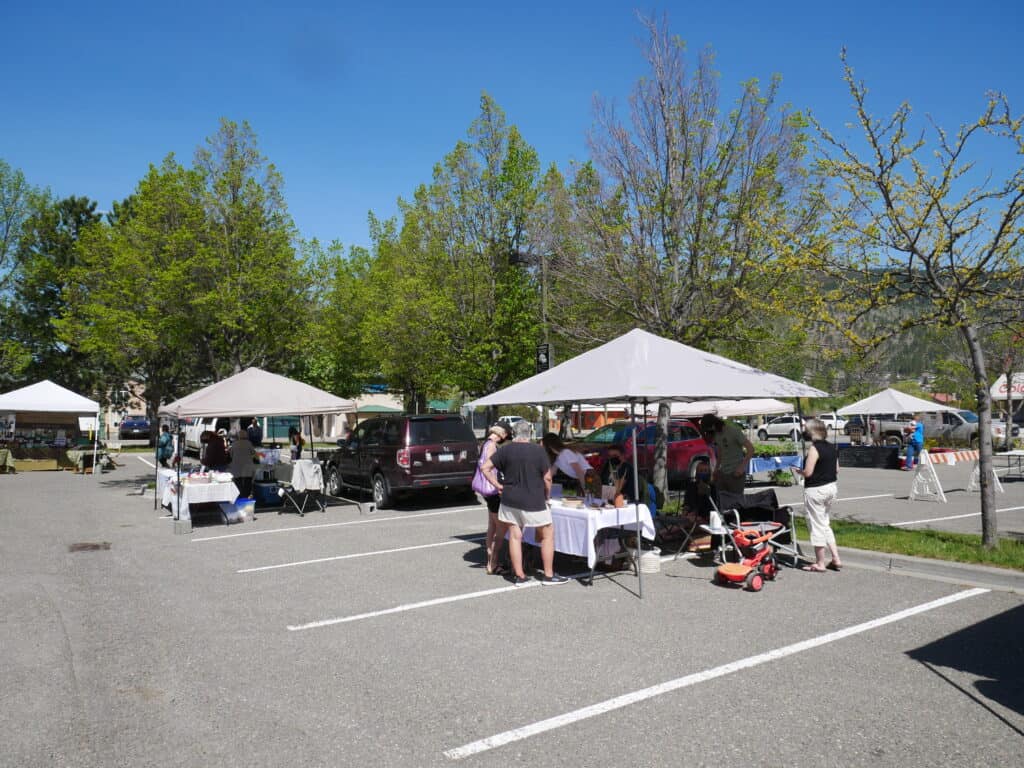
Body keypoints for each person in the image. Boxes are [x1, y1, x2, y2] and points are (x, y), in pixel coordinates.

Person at [482, 420, 568, 586]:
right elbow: (547, 477)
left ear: (514, 434)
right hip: (534, 500)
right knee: (547, 534)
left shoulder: (505, 450)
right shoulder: (539, 451)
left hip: (509, 499)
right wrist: (547, 495)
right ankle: (549, 575)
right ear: (529, 434)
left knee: (515, 536)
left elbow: (485, 468)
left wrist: (498, 485)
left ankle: (519, 576)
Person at [792, 418, 842, 573]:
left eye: (805, 428)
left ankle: (820, 562)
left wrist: (797, 471)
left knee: (816, 526)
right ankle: (835, 558)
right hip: (831, 487)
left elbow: (808, 472)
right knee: (824, 523)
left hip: (816, 490)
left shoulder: (814, 448)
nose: (803, 431)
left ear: (812, 431)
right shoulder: (832, 447)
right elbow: (837, 469)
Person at [475, 422, 512, 575]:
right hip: (493, 490)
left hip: (486, 491)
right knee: (501, 527)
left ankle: (490, 558)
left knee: (492, 526)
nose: (506, 438)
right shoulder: (492, 446)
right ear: (502, 434)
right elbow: (488, 469)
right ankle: (493, 563)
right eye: (506, 435)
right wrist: (498, 485)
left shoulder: (485, 443)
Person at [700, 414, 754, 496]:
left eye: (709, 428)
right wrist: (716, 469)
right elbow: (720, 452)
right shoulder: (716, 434)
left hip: (736, 473)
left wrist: (742, 467)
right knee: (722, 501)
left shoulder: (734, 431)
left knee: (735, 502)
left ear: (714, 425)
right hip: (723, 473)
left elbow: (751, 449)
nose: (709, 431)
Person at [229, 429, 256, 498]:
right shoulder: (248, 443)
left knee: (238, 481)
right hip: (247, 465)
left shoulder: (234, 443)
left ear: (238, 436)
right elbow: (253, 453)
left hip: (237, 465)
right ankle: (246, 495)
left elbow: (231, 454)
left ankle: (239, 495)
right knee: (247, 481)